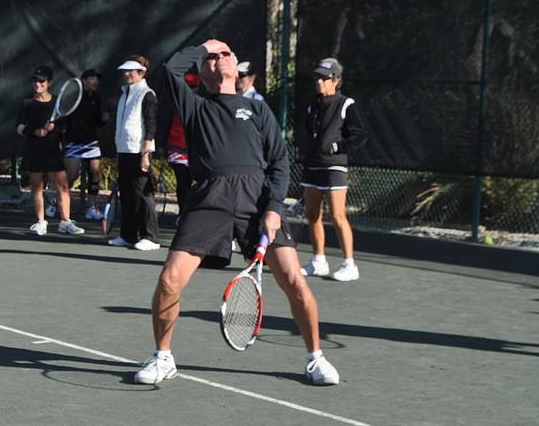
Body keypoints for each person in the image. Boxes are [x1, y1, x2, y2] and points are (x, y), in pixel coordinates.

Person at [133, 40, 340, 387]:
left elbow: (279, 162)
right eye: (211, 57)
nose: (219, 59)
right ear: (201, 69)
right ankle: (163, 356)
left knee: (294, 280)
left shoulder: (257, 110)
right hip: (208, 196)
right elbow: (169, 69)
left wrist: (273, 209)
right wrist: (203, 46)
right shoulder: (194, 107)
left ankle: (315, 358)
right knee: (169, 280)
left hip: (256, 198)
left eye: (225, 54)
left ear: (236, 66)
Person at [299, 57, 367, 282]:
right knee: (312, 215)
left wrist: (337, 147)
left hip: (334, 167)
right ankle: (319, 261)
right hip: (312, 166)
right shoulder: (313, 105)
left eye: (324, 78)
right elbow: (311, 134)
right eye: (317, 77)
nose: (319, 82)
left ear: (336, 80)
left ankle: (350, 264)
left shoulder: (346, 104)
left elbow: (359, 136)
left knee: (337, 216)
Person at [16, 65, 85, 237]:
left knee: (62, 185)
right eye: (35, 81)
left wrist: (53, 128)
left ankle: (65, 222)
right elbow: (19, 126)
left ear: (49, 82)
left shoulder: (57, 103)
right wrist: (35, 131)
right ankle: (41, 222)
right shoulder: (27, 103)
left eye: (42, 81)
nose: (38, 84)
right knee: (37, 186)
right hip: (33, 149)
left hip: (53, 150)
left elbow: (63, 126)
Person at [108, 56, 160, 251]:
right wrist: (119, 152)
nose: (127, 74)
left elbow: (151, 126)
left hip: (140, 151)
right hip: (125, 150)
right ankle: (128, 235)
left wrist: (145, 153)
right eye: (125, 71)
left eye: (132, 71)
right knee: (127, 194)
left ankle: (151, 238)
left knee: (142, 195)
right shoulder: (125, 94)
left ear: (142, 73)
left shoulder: (147, 95)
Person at [64, 68, 108, 221]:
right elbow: (65, 118)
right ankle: (59, 202)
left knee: (95, 174)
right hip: (73, 142)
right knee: (72, 175)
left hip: (91, 142)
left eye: (96, 79)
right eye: (91, 79)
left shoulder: (97, 99)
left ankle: (91, 207)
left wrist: (104, 118)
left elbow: (98, 121)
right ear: (84, 81)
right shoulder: (74, 98)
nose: (95, 81)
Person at [157, 72, 201, 222]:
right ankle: (183, 213)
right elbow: (165, 124)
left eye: (192, 87)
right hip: (176, 148)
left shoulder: (201, 104)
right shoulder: (173, 103)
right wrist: (161, 145)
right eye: (187, 86)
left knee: (194, 183)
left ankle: (191, 213)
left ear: (197, 88)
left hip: (194, 151)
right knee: (182, 182)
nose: (190, 89)